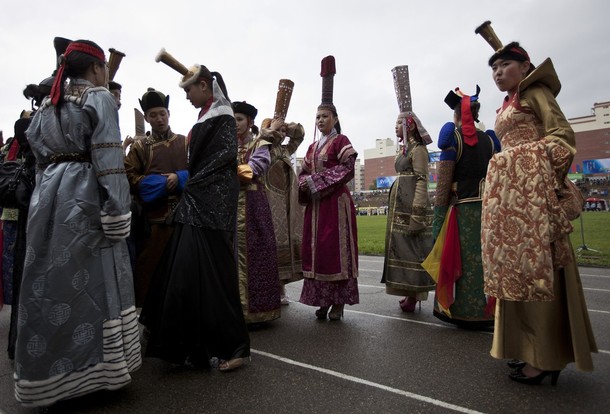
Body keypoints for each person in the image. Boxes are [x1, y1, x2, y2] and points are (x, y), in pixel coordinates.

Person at [14, 39, 140, 407]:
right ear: (97, 68)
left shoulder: (47, 107)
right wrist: (117, 209)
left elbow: (37, 153)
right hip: (85, 195)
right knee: (97, 284)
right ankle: (98, 372)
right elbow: (108, 156)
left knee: (51, 281)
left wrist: (46, 195)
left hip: (48, 196)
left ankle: (51, 373)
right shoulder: (98, 98)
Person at [475, 21, 597, 385]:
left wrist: (517, 164)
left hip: (536, 197)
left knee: (544, 268)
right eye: (493, 68)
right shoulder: (507, 103)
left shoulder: (537, 93)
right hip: (513, 200)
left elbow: (562, 137)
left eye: (505, 66)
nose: (498, 73)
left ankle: (547, 356)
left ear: (525, 67)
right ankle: (528, 348)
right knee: (517, 270)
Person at [140, 49, 250, 372]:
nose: (186, 97)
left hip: (211, 205)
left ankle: (236, 347)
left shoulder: (223, 115)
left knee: (216, 277)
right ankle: (195, 347)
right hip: (198, 204)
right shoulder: (205, 116)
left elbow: (221, 161)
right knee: (188, 274)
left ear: (204, 86)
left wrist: (190, 186)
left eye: (188, 90)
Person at [429, 86, 500, 329]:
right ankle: (487, 311)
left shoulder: (453, 141)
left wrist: (438, 219)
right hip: (488, 212)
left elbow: (442, 187)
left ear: (456, 115)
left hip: (461, 212)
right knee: (485, 262)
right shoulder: (491, 140)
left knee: (460, 261)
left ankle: (462, 311)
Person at [298, 55, 359, 321]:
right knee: (318, 252)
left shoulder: (341, 140)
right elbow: (303, 171)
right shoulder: (312, 147)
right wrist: (303, 182)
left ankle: (339, 303)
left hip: (336, 205)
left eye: (324, 116)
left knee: (335, 251)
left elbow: (348, 168)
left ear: (334, 118)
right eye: (317, 117)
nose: (320, 120)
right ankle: (322, 300)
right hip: (317, 205)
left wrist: (315, 182)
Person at [125, 88, 188, 307]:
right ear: (146, 118)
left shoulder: (184, 142)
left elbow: (199, 170)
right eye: (153, 115)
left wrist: (179, 177)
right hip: (154, 220)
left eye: (162, 113)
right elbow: (129, 176)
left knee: (183, 270)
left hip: (184, 217)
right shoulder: (140, 147)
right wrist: (160, 184)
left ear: (169, 113)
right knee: (151, 268)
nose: (159, 119)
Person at [381, 65, 435, 313]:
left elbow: (423, 179)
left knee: (414, 252)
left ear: (410, 125)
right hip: (399, 207)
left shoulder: (419, 150)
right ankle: (407, 292)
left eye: (399, 123)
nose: (395, 127)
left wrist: (417, 212)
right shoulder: (405, 150)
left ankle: (415, 296)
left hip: (411, 208)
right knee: (402, 252)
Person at [234, 100, 282, 325]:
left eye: (239, 119)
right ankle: (234, 310)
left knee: (257, 254)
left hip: (254, 206)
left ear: (249, 121)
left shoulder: (260, 143)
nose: (235, 124)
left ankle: (258, 311)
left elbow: (257, 167)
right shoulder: (227, 145)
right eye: (232, 119)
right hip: (231, 206)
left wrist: (226, 171)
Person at [260, 79, 305, 306]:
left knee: (286, 244)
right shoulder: (262, 151)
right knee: (272, 246)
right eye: (274, 131)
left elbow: (300, 134)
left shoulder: (286, 150)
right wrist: (270, 129)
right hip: (268, 203)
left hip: (287, 204)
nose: (278, 135)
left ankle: (282, 288)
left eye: (280, 132)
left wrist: (288, 126)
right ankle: (271, 289)